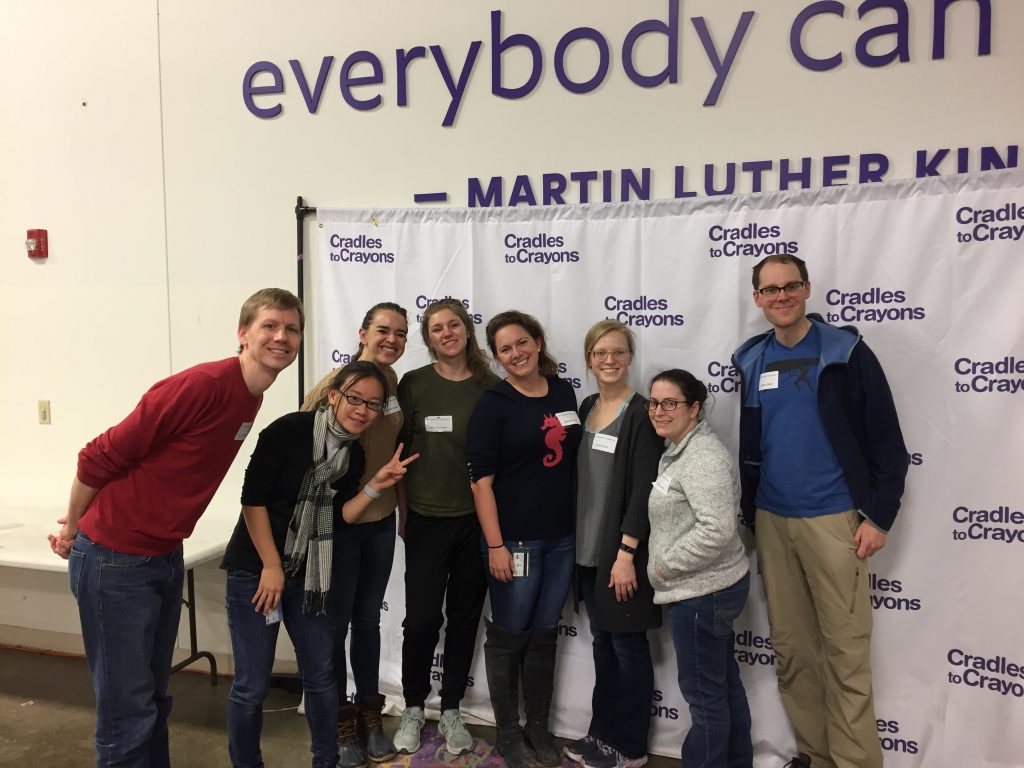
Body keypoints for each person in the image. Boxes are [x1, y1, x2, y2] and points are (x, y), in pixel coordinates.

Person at [48, 288, 303, 768]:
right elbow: (98, 454)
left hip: (163, 555)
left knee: (152, 701)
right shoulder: (203, 384)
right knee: (128, 713)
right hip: (114, 560)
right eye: (269, 325)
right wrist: (74, 526)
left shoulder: (251, 396)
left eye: (291, 329)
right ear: (243, 334)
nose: (281, 336)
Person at [732, 254, 908, 768]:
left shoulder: (845, 352)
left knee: (846, 656)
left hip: (835, 522)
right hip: (771, 521)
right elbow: (752, 446)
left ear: (807, 290)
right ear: (757, 298)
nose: (781, 296)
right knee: (793, 654)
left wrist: (878, 517)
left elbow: (889, 444)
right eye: (770, 289)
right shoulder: (752, 359)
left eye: (791, 286)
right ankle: (813, 755)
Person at [222, 361, 416, 768]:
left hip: (309, 577)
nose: (362, 409)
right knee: (251, 687)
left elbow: (343, 514)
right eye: (355, 398)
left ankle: (326, 760)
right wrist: (272, 566)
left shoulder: (351, 453)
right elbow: (252, 501)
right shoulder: (289, 431)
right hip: (257, 572)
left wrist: (375, 486)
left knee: (323, 675)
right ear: (334, 395)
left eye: (373, 404)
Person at [467, 310, 582, 768]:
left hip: (562, 538)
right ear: (495, 357)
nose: (515, 354)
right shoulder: (493, 404)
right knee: (509, 635)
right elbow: (481, 482)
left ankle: (538, 725)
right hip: (514, 542)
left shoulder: (562, 390)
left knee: (544, 635)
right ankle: (509, 734)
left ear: (538, 341)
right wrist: (495, 545)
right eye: (504, 349)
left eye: (521, 343)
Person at [301, 302, 408, 768]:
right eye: (383, 330)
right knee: (334, 627)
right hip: (339, 529)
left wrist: (402, 514)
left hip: (380, 524)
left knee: (367, 623)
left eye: (401, 333)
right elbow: (303, 454)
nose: (392, 339)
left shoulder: (397, 386)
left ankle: (370, 717)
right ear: (362, 333)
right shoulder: (333, 386)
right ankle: (339, 723)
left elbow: (397, 456)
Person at [390, 299, 498, 756]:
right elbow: (396, 454)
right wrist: (402, 514)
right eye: (437, 328)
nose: (447, 333)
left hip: (475, 524)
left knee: (465, 619)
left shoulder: (490, 386)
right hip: (425, 520)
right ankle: (414, 705)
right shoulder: (413, 384)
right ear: (428, 337)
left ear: (467, 330)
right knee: (420, 622)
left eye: (454, 324)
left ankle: (451, 706)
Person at [564, 320, 663, 768]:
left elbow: (644, 488)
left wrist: (626, 554)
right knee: (603, 648)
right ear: (589, 358)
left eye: (618, 352)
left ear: (630, 358)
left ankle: (632, 748)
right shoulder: (585, 407)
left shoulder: (641, 413)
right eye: (600, 352)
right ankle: (602, 737)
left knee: (627, 650)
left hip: (621, 556)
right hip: (586, 553)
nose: (609, 360)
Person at [646, 369, 753, 768]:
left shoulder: (702, 456)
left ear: (694, 408)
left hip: (701, 593)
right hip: (708, 590)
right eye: (654, 402)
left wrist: (664, 566)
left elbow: (718, 530)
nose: (659, 410)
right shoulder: (681, 448)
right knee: (723, 688)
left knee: (705, 699)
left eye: (670, 403)